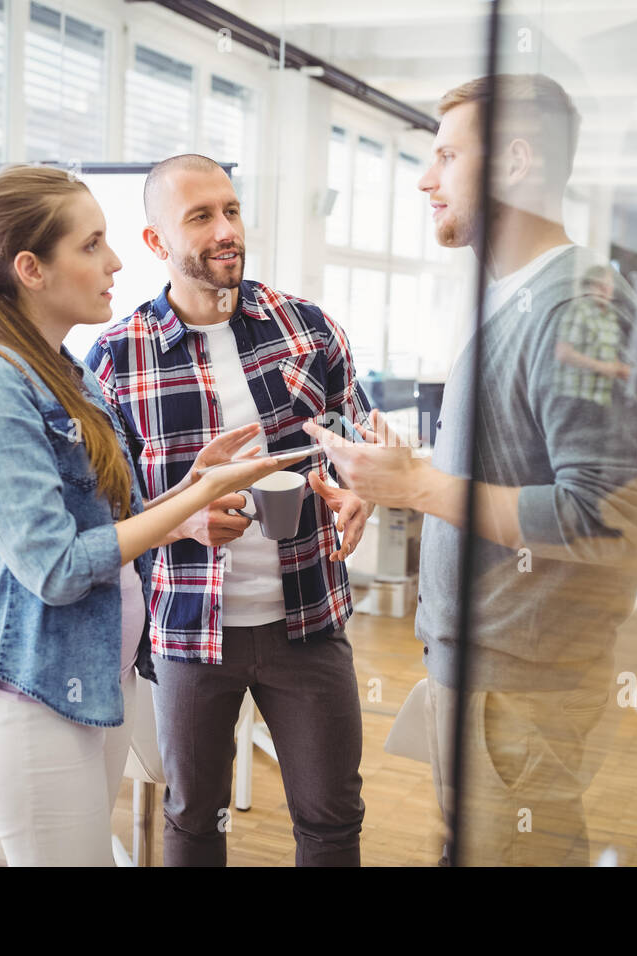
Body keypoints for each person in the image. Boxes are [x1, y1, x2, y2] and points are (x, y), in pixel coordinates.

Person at [305, 75, 637, 866]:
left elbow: (607, 514)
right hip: (489, 676)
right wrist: (392, 482)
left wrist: (418, 488)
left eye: (446, 155)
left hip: (523, 690)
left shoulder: (580, 307)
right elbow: (516, 467)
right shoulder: (522, 299)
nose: (426, 180)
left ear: (514, 162)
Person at [0, 164, 297, 866]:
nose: (116, 261)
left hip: (98, 678)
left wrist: (186, 495)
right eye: (92, 245)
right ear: (31, 268)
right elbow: (57, 568)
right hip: (30, 694)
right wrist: (188, 503)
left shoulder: (66, 371)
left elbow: (102, 527)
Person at [86, 154, 371, 866]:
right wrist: (180, 514)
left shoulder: (308, 328)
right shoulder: (116, 358)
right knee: (192, 819)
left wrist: (360, 487)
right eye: (201, 216)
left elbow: (358, 438)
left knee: (332, 817)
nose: (226, 231)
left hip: (308, 621)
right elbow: (98, 507)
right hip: (187, 631)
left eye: (232, 210)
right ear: (156, 243)